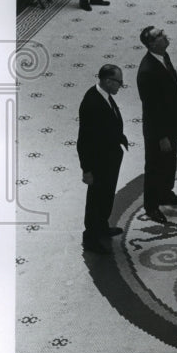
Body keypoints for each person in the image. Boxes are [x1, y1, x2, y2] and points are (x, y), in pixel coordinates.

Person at [137, 25, 177, 223]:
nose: (165, 36)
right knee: (154, 166)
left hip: (171, 124)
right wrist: (161, 136)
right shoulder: (147, 71)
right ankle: (151, 206)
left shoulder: (164, 57)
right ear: (151, 43)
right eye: (160, 35)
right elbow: (151, 109)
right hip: (158, 130)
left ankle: (166, 193)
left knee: (168, 163)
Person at [77, 64, 129, 255]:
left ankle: (102, 227)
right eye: (119, 83)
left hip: (109, 159)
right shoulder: (92, 103)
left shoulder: (104, 96)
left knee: (106, 195)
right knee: (96, 200)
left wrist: (119, 137)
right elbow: (83, 141)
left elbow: (110, 122)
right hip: (99, 163)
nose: (120, 87)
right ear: (108, 81)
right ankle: (91, 237)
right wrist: (87, 170)